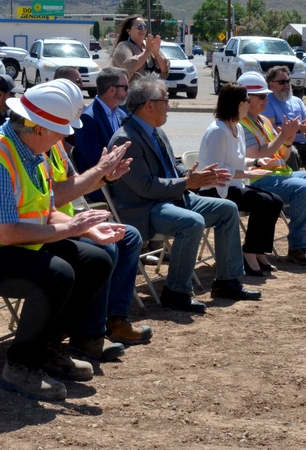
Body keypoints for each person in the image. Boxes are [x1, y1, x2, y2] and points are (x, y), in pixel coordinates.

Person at [0, 82, 125, 401]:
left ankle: (49, 348)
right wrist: (71, 229)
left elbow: (44, 211)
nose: (64, 138)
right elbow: (9, 232)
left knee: (96, 261)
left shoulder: (30, 151)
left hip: (5, 247)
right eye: (60, 131)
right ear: (38, 128)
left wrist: (84, 229)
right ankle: (20, 367)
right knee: (57, 274)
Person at [108, 75, 259, 312]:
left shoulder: (155, 131)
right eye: (165, 100)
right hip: (145, 208)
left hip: (172, 199)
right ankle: (176, 291)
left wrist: (193, 174)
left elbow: (171, 167)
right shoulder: (126, 139)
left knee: (227, 209)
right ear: (149, 105)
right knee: (192, 223)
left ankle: (227, 281)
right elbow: (146, 187)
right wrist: (187, 182)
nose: (169, 105)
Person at [43, 77, 153, 354]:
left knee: (129, 237)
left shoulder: (51, 143)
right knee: (105, 249)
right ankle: (90, 333)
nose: (67, 135)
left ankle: (114, 319)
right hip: (43, 228)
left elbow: (70, 186)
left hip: (59, 221)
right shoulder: (31, 148)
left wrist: (104, 177)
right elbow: (53, 197)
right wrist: (99, 173)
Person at [237, 73, 306, 266]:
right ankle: (297, 247)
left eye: (266, 95)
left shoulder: (263, 120)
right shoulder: (241, 124)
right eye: (262, 96)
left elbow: (283, 156)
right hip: (258, 179)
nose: (266, 99)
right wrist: (284, 136)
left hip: (280, 174)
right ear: (246, 99)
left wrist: (287, 141)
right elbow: (255, 158)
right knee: (303, 188)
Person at [198, 83, 285, 275]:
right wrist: (248, 173)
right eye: (247, 99)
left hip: (232, 186)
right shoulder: (218, 131)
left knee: (275, 201)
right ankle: (249, 253)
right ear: (238, 104)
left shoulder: (235, 126)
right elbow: (216, 168)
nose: (249, 103)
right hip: (215, 190)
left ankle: (258, 250)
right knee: (262, 201)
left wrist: (255, 161)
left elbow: (237, 159)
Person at [74, 67, 130, 196]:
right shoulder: (88, 118)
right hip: (102, 187)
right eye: (125, 87)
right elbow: (94, 162)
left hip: (122, 179)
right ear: (112, 89)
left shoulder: (121, 113)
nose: (128, 91)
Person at [262, 65, 306, 169]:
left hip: (304, 145)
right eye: (282, 82)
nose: (286, 85)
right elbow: (271, 129)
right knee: (292, 153)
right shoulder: (267, 102)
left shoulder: (297, 101)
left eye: (288, 81)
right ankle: (295, 183)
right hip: (283, 145)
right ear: (272, 85)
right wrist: (298, 129)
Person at [111, 15, 169, 80]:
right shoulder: (123, 46)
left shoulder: (149, 45)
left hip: (154, 88)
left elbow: (165, 71)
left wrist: (157, 54)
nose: (143, 29)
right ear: (129, 31)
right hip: (133, 89)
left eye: (145, 27)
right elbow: (128, 68)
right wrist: (147, 52)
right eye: (139, 27)